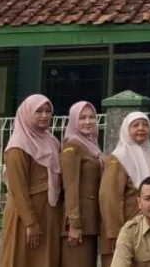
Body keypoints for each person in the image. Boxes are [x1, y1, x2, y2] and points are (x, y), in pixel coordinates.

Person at [0, 94, 63, 267]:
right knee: (21, 258)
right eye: (39, 111)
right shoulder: (17, 147)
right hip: (25, 215)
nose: (45, 116)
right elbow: (17, 188)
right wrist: (30, 222)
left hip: (48, 212)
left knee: (46, 259)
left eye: (48, 111)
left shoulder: (52, 142)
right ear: (27, 114)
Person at [101, 111, 150, 267]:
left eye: (145, 125)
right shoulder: (119, 157)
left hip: (148, 228)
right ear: (126, 129)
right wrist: (115, 233)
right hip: (125, 229)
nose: (141, 128)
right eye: (135, 125)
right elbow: (110, 197)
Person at [61, 101, 105, 267]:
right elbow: (70, 185)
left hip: (91, 222)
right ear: (73, 120)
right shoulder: (72, 146)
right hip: (79, 226)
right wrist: (74, 224)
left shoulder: (91, 145)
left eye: (92, 117)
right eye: (82, 118)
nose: (88, 121)